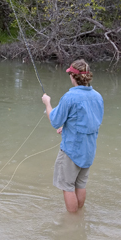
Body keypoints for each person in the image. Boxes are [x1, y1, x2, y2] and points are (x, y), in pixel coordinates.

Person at [41, 59, 104, 213]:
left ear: (73, 76)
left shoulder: (70, 97)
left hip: (71, 151)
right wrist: (68, 128)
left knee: (67, 187)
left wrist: (47, 104)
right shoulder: (97, 97)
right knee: (80, 184)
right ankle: (79, 220)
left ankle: (72, 222)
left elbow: (55, 121)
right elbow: (91, 122)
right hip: (88, 150)